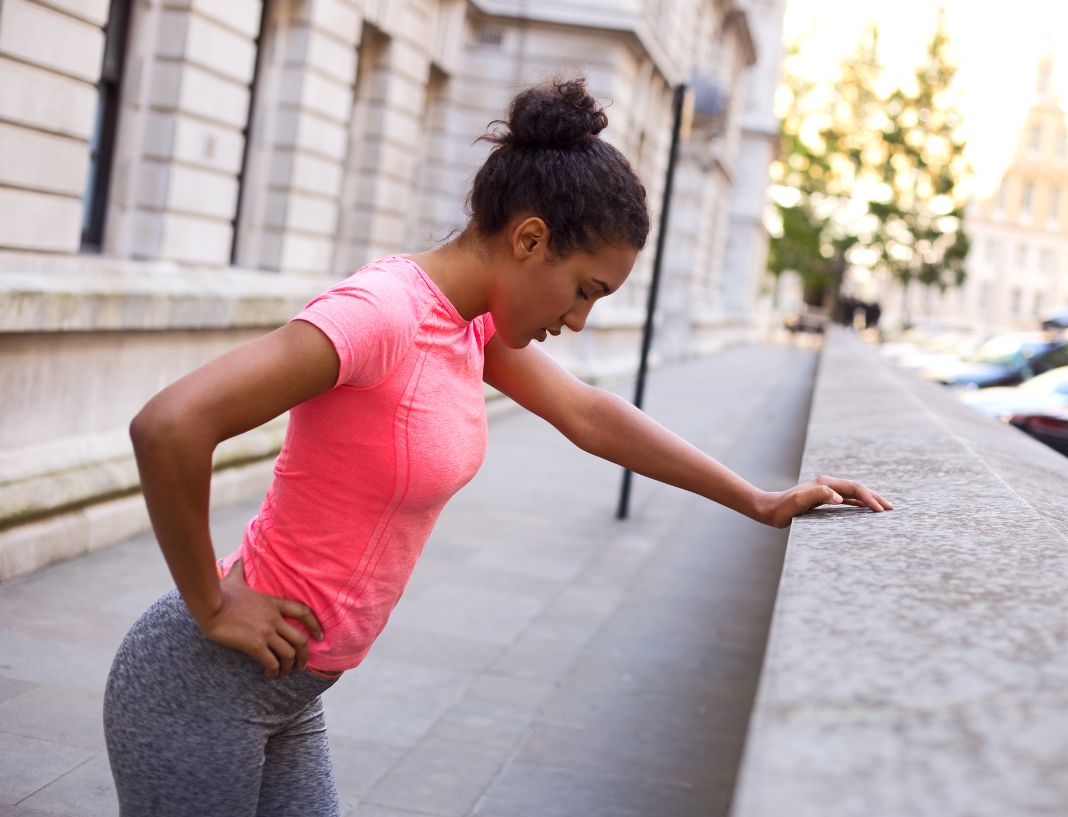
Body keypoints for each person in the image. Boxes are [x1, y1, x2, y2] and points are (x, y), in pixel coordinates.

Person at [103, 76, 893, 817]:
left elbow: (589, 414)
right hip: (204, 688)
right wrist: (210, 601)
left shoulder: (467, 324)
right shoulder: (382, 313)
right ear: (529, 238)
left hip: (288, 692)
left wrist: (757, 499)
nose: (579, 319)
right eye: (584, 289)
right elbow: (170, 425)